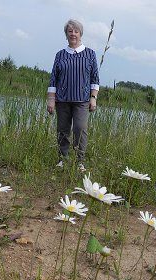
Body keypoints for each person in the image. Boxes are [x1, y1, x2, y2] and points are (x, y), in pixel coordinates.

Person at [47, 19, 99, 172]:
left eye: (76, 31)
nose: (73, 34)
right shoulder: (60, 55)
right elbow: (53, 78)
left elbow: (95, 78)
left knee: (80, 128)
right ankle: (62, 160)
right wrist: (51, 100)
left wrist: (93, 98)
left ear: (80, 34)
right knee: (62, 129)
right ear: (66, 34)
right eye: (70, 31)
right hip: (62, 100)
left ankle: (80, 162)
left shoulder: (90, 54)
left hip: (82, 100)